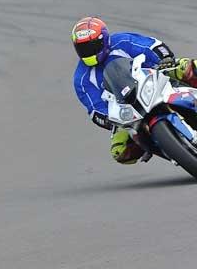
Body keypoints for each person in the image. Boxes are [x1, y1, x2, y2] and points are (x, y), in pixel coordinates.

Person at [72, 16, 197, 164]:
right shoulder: (81, 79)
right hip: (126, 109)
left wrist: (165, 59)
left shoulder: (122, 41)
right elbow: (95, 109)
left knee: (190, 68)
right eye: (83, 48)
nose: (88, 52)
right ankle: (169, 148)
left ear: (103, 40)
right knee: (120, 151)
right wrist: (107, 119)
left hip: (154, 78)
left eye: (91, 46)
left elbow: (152, 46)